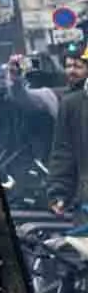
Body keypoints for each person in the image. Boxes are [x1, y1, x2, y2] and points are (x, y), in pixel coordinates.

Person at [44, 48, 88, 219]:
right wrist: (59, 191)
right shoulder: (73, 104)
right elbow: (64, 151)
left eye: (77, 66)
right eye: (69, 66)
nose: (72, 71)